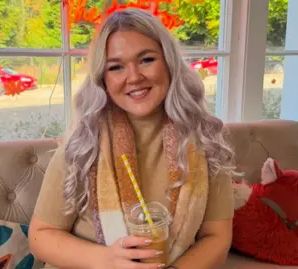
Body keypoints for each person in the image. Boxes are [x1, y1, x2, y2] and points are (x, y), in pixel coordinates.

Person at [28, 7, 236, 269]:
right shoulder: (83, 141)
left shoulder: (206, 139)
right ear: (103, 79)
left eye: (147, 59)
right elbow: (40, 236)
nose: (134, 77)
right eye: (116, 67)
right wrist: (107, 260)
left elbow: (216, 236)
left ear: (169, 63)